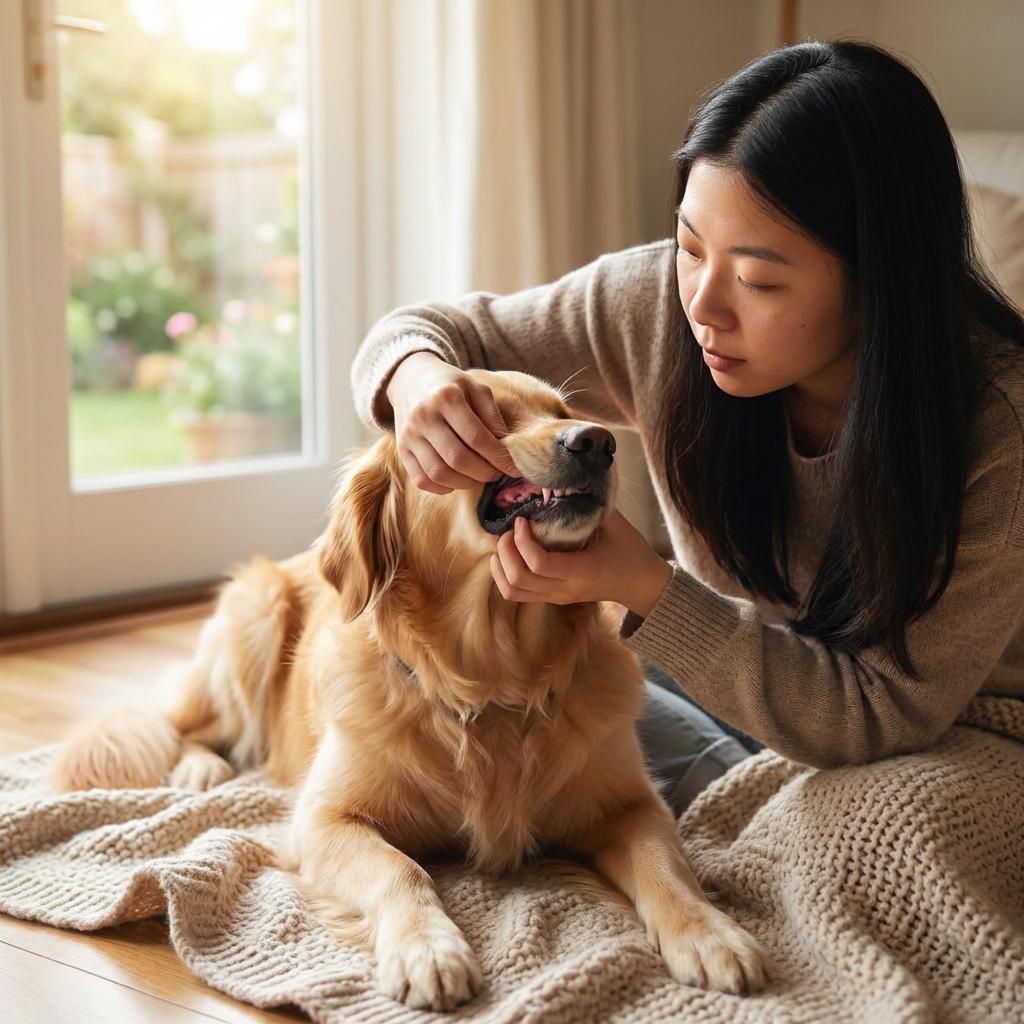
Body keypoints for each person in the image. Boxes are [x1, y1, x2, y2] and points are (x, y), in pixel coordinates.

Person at [350, 40, 1024, 814]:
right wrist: (419, 379)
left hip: (941, 731)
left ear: (882, 280)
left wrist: (642, 585)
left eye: (757, 279)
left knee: (885, 830)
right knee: (491, 749)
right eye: (689, 246)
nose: (701, 305)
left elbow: (879, 716)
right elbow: (424, 330)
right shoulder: (652, 308)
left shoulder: (1000, 429)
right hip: (726, 684)